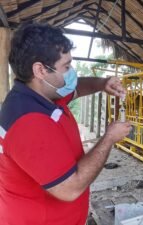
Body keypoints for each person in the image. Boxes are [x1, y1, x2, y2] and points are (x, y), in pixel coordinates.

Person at [0, 23, 131, 225]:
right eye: (67, 66)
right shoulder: (28, 121)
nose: (72, 73)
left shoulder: (44, 95)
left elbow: (76, 89)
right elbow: (70, 189)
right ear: (40, 70)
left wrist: (103, 84)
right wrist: (108, 139)